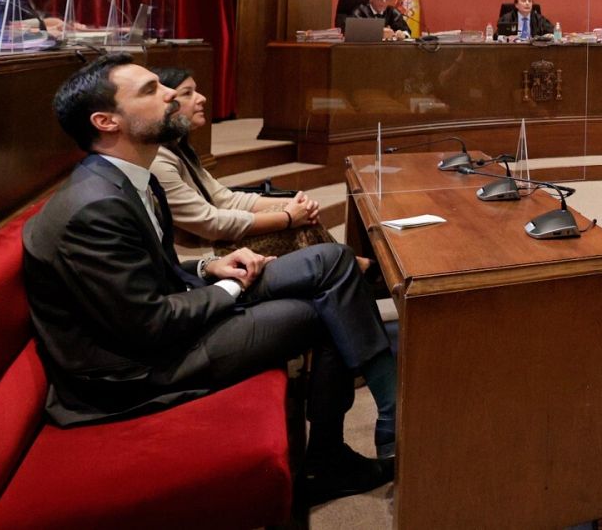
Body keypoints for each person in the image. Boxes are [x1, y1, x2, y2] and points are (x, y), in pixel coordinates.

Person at [22, 54, 397, 504]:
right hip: (136, 371)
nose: (168, 95)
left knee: (331, 261)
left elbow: (151, 272)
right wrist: (231, 287)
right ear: (105, 121)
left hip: (175, 311)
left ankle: (387, 411)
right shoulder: (95, 207)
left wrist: (206, 268)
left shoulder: (129, 178)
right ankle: (329, 459)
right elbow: (147, 324)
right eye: (149, 91)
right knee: (318, 310)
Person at [151, 66, 341, 252]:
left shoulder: (179, 147)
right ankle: (352, 265)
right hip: (202, 253)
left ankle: (349, 265)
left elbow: (224, 199)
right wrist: (287, 217)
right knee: (296, 228)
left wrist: (290, 203)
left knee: (302, 214)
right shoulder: (158, 161)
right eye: (187, 93)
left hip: (213, 237)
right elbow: (210, 223)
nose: (202, 98)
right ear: (166, 103)